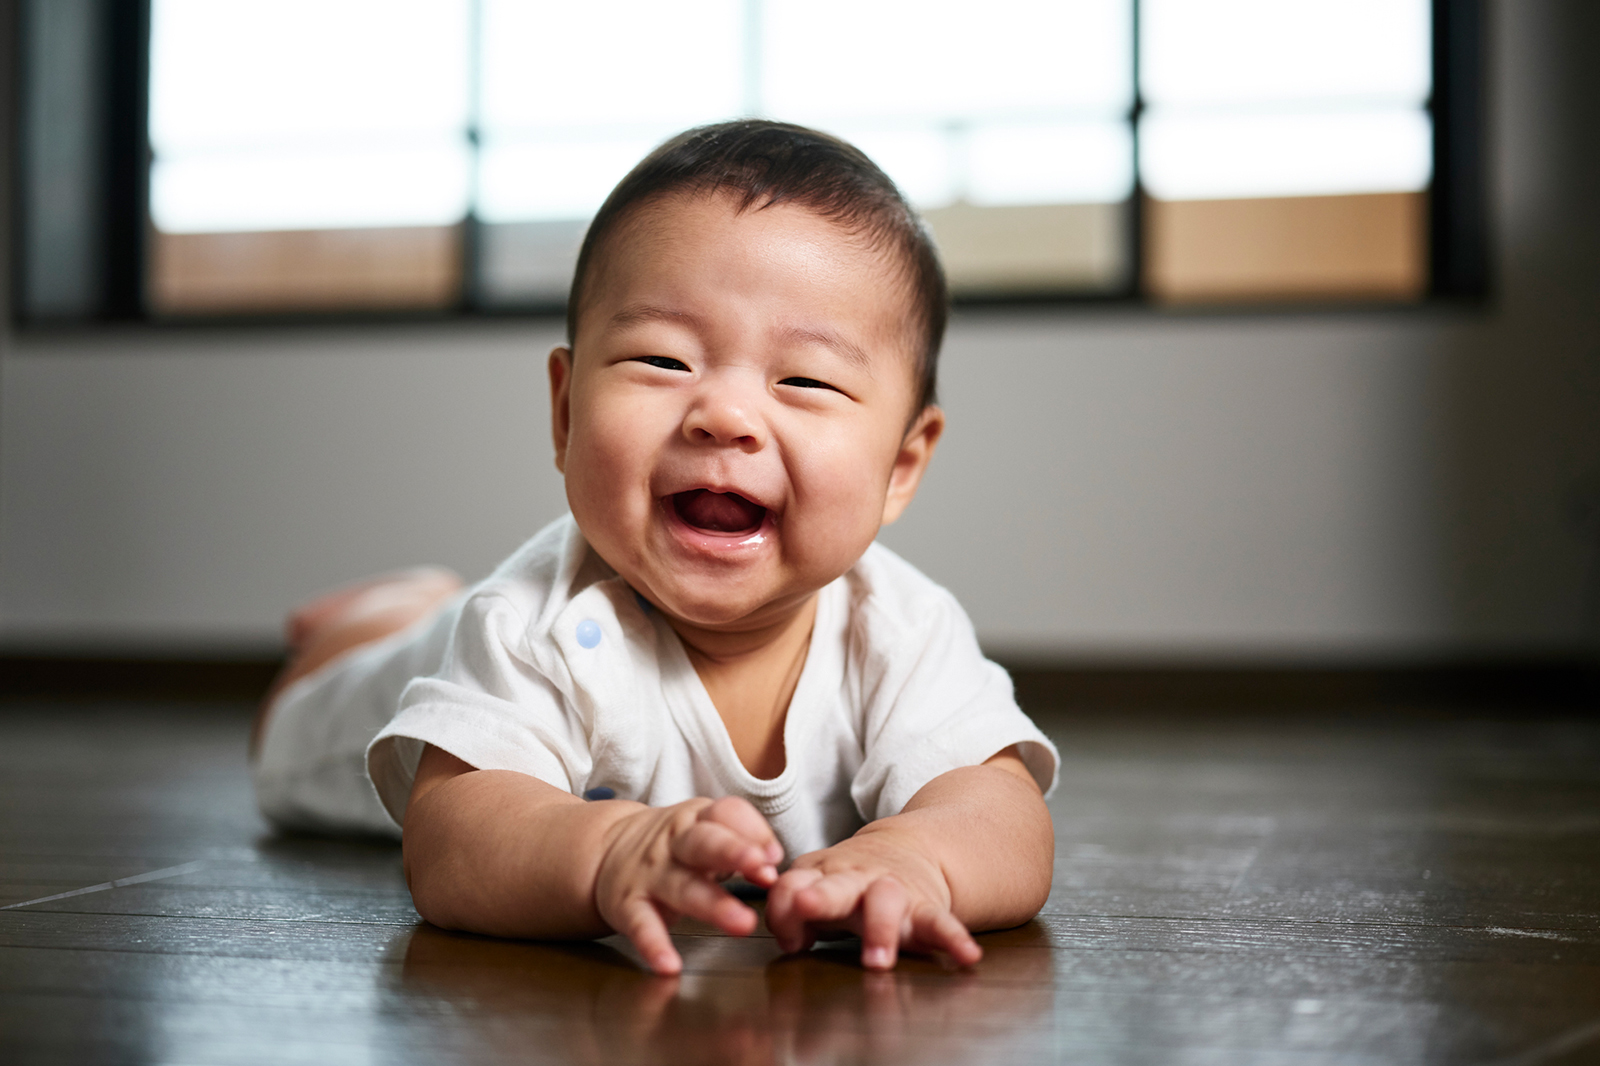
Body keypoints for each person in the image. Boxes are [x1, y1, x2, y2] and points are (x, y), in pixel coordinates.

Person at [252, 120, 1058, 976]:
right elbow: (451, 839)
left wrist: (918, 858)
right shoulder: (531, 624)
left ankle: (420, 599)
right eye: (663, 359)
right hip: (364, 708)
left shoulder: (899, 629)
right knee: (298, 717)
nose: (726, 414)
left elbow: (999, 808)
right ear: (565, 413)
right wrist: (608, 851)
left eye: (805, 381)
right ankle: (382, 615)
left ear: (901, 465)